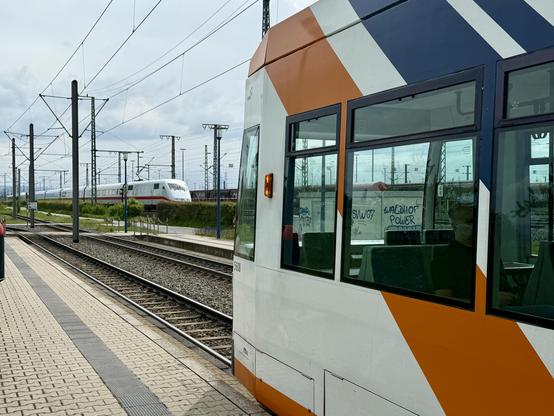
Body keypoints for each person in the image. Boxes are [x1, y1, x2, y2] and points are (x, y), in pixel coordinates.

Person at [432, 204, 474, 301]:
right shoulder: (444, 259)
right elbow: (444, 299)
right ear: (454, 226)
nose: (475, 225)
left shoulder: (488, 255)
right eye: (469, 221)